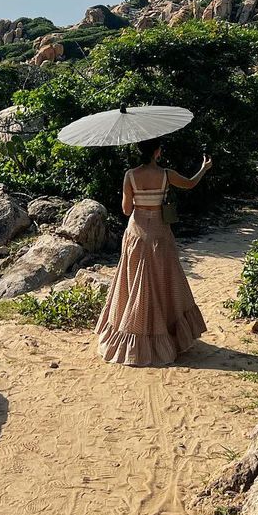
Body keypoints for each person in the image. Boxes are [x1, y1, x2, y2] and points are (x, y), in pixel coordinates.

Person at [95, 139, 212, 367]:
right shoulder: (167, 174)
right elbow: (189, 184)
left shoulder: (130, 175)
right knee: (163, 281)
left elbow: (126, 209)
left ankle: (133, 333)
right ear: (157, 152)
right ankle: (166, 335)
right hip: (160, 233)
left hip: (136, 233)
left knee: (134, 283)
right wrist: (204, 168)